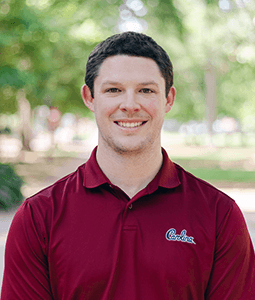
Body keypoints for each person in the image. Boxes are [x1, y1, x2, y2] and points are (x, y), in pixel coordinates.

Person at [1, 31, 255, 299]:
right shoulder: (38, 218)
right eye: (114, 90)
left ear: (168, 99)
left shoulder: (219, 216)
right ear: (89, 97)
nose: (130, 105)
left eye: (146, 90)